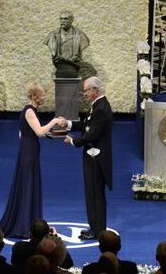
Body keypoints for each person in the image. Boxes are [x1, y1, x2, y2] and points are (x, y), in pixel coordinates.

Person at [0, 83, 60, 238]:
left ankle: (29, 221)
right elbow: (39, 132)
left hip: (28, 149)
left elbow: (26, 133)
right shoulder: (30, 111)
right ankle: (25, 226)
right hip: (28, 152)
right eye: (42, 94)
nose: (45, 97)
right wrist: (54, 121)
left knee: (28, 184)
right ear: (34, 96)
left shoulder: (29, 110)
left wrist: (56, 134)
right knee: (27, 185)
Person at [59, 76, 113, 240]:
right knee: (92, 194)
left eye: (86, 90)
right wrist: (68, 123)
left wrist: (73, 141)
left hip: (97, 159)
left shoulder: (101, 109)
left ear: (95, 90)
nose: (85, 93)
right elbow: (87, 125)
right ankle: (95, 228)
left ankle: (98, 231)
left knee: (95, 195)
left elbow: (92, 134)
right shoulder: (98, 106)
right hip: (92, 157)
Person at [44, 10, 90, 78]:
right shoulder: (52, 35)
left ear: (72, 20)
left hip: (73, 68)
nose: (63, 21)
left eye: (65, 19)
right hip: (60, 67)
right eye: (61, 19)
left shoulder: (80, 36)